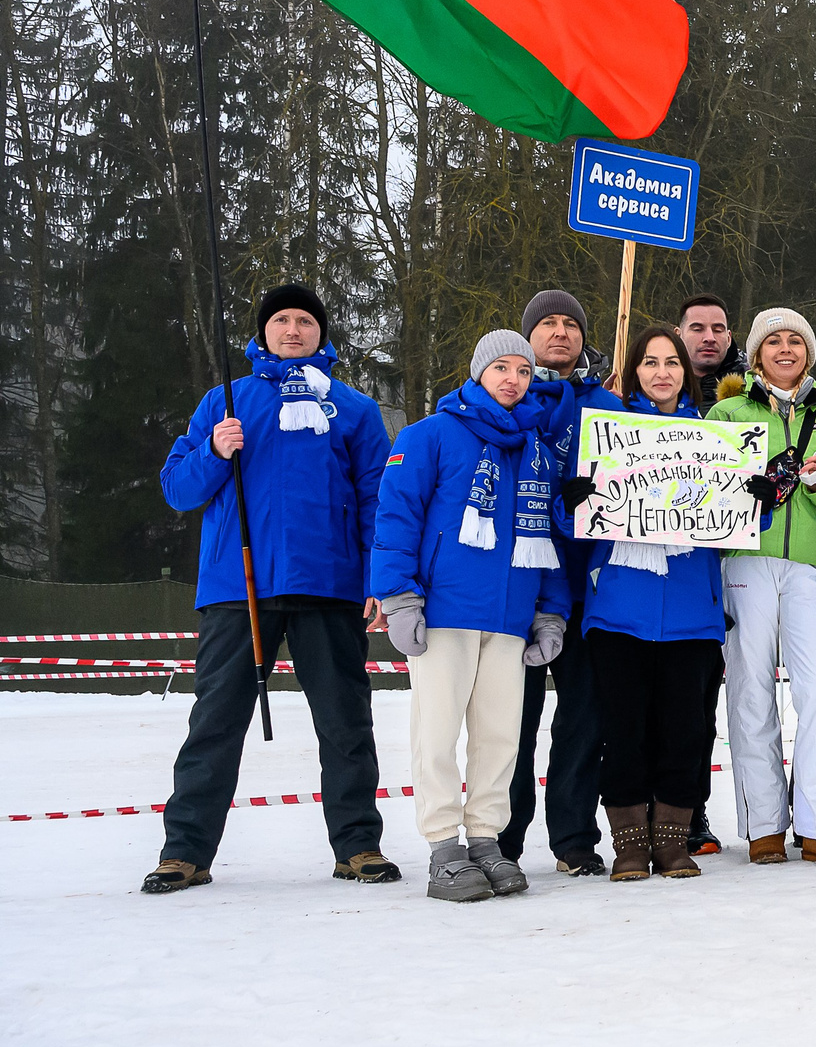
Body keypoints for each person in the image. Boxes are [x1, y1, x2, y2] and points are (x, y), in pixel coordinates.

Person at [145, 282, 397, 896]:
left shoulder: (354, 409)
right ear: (263, 333)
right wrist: (212, 450)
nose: (293, 330)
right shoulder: (223, 403)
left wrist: (376, 579)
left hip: (330, 586)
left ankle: (358, 845)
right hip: (239, 588)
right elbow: (179, 489)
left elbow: (377, 502)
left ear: (321, 333)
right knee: (215, 721)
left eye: (305, 321)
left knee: (345, 723)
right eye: (281, 321)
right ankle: (185, 853)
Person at [370, 330, 568, 901]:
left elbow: (548, 534)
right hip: (444, 613)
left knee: (500, 737)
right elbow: (396, 516)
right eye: (501, 368)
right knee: (436, 733)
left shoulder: (536, 447)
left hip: (509, 617)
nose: (513, 380)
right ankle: (442, 848)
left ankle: (485, 839)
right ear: (479, 372)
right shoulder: (430, 435)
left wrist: (550, 612)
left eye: (524, 372)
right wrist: (399, 595)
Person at [708, 308, 816, 867]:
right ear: (756, 353)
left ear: (810, 352)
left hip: (812, 564)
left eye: (796, 340)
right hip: (747, 558)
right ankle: (764, 825)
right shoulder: (728, 411)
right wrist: (741, 491)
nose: (786, 348)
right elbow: (700, 492)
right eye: (774, 340)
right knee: (751, 690)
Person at [582, 324, 724, 881]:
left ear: (685, 373)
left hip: (692, 610)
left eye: (671, 362)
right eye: (650, 361)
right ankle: (629, 845)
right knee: (625, 731)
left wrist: (755, 498)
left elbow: (735, 526)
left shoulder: (713, 437)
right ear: (634, 370)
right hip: (620, 607)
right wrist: (576, 499)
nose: (661, 371)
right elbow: (577, 527)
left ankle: (672, 842)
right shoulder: (609, 433)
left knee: (686, 731)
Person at [500, 288, 623, 878]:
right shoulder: (507, 399)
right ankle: (501, 835)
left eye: (570, 324)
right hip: (517, 590)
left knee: (582, 723)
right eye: (546, 323)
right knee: (510, 724)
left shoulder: (608, 404)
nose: (559, 333)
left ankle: (574, 838)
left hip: (585, 590)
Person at [677, 293, 743, 407]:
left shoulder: (755, 389)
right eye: (698, 329)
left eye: (717, 330)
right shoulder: (652, 386)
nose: (709, 338)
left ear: (728, 339)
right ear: (678, 336)